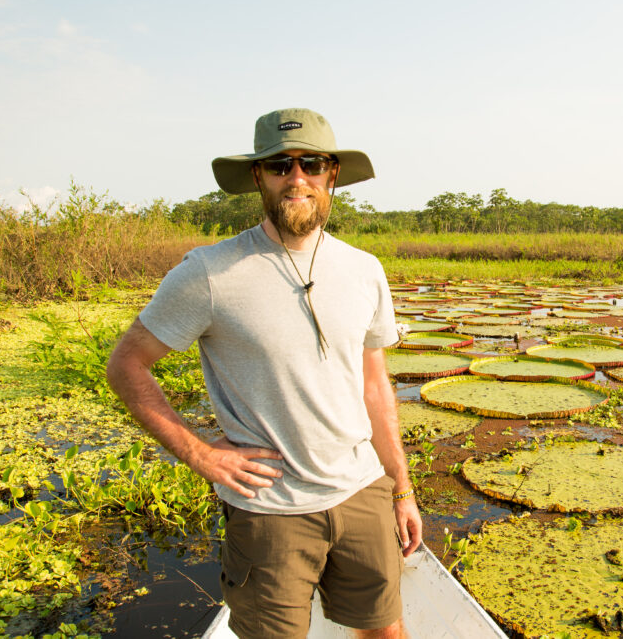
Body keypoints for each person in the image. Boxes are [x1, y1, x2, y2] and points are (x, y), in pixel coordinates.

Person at [106, 108, 422, 639]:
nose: (296, 177)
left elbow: (374, 386)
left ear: (332, 175)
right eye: (279, 165)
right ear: (258, 177)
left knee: (385, 632)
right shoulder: (208, 272)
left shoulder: (365, 269)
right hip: (271, 509)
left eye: (311, 164)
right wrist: (199, 451)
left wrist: (401, 489)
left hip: (363, 490)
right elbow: (126, 364)